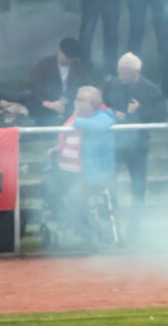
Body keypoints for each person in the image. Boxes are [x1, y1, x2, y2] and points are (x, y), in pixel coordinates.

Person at [51, 85, 119, 245]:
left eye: (80, 99)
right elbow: (63, 134)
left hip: (97, 174)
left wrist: (76, 119)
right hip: (71, 172)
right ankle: (75, 232)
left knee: (74, 197)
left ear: (91, 102)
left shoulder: (104, 115)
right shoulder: (77, 118)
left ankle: (90, 234)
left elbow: (97, 126)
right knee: (52, 190)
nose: (75, 102)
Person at [102, 52, 168, 210]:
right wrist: (112, 113)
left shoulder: (151, 89)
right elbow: (101, 106)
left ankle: (137, 219)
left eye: (125, 72)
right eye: (119, 71)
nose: (121, 75)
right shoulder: (111, 84)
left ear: (136, 72)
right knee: (109, 180)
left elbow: (162, 116)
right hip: (114, 143)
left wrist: (141, 110)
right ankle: (112, 213)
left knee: (138, 185)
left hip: (138, 145)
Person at [26, 37, 95, 125]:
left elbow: (87, 87)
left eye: (71, 58)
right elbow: (33, 87)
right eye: (67, 57)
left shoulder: (79, 69)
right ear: (60, 51)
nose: (68, 60)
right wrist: (46, 103)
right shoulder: (44, 65)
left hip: (72, 107)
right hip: (47, 107)